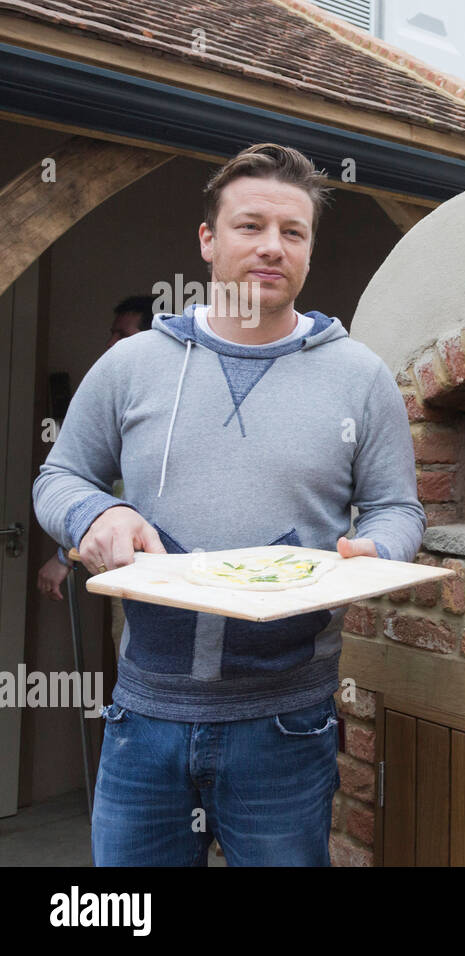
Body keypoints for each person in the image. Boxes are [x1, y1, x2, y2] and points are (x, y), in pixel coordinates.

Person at [31, 143, 426, 866]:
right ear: (208, 241)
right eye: (250, 226)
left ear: (309, 249)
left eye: (293, 232)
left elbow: (399, 508)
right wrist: (97, 516)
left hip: (286, 727)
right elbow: (59, 479)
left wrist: (383, 551)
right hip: (144, 716)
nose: (272, 247)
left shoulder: (359, 377)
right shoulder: (134, 364)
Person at [37, 295, 155, 602]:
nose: (110, 343)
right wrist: (65, 553)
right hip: (126, 571)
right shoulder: (119, 396)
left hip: (167, 575)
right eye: (112, 333)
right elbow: (90, 484)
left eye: (123, 336)